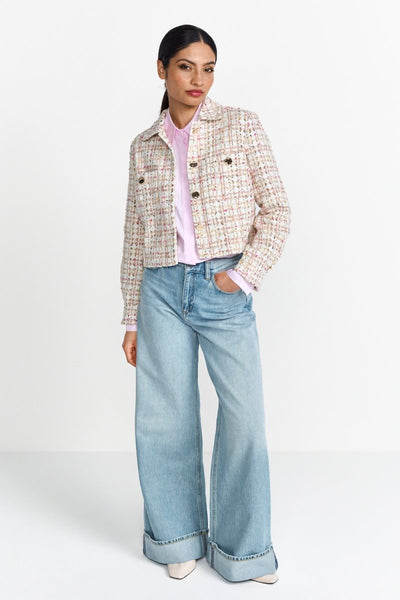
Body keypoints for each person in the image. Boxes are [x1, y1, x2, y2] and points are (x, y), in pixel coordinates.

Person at [120, 24, 290, 584]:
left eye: (209, 68)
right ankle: (176, 538)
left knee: (245, 421)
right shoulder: (143, 146)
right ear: (162, 69)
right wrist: (131, 317)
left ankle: (244, 552)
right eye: (186, 66)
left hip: (223, 286)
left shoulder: (241, 125)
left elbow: (277, 211)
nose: (199, 79)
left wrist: (240, 277)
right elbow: (134, 236)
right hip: (160, 291)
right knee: (163, 419)